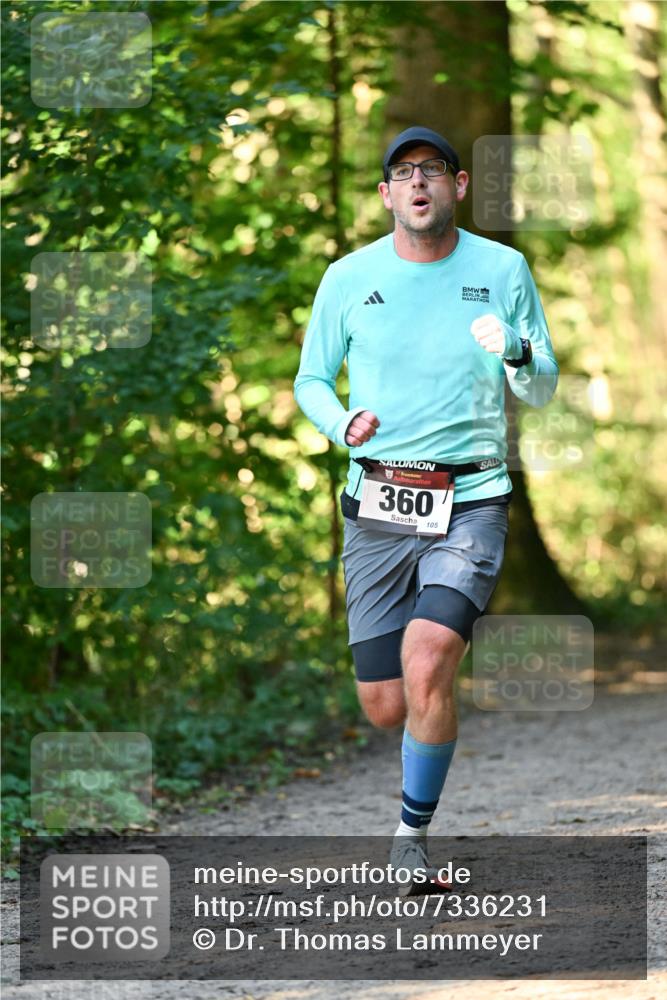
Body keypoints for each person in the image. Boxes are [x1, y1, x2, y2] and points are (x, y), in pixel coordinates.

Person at [293, 126, 558, 894]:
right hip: (377, 499)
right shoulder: (348, 276)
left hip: (471, 495)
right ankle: (423, 717)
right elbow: (311, 378)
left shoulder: (502, 268)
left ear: (459, 186)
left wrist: (514, 348)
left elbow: (539, 385)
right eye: (403, 174)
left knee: (428, 659)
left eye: (432, 172)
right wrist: (337, 422)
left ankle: (409, 842)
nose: (418, 184)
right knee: (383, 705)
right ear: (386, 195)